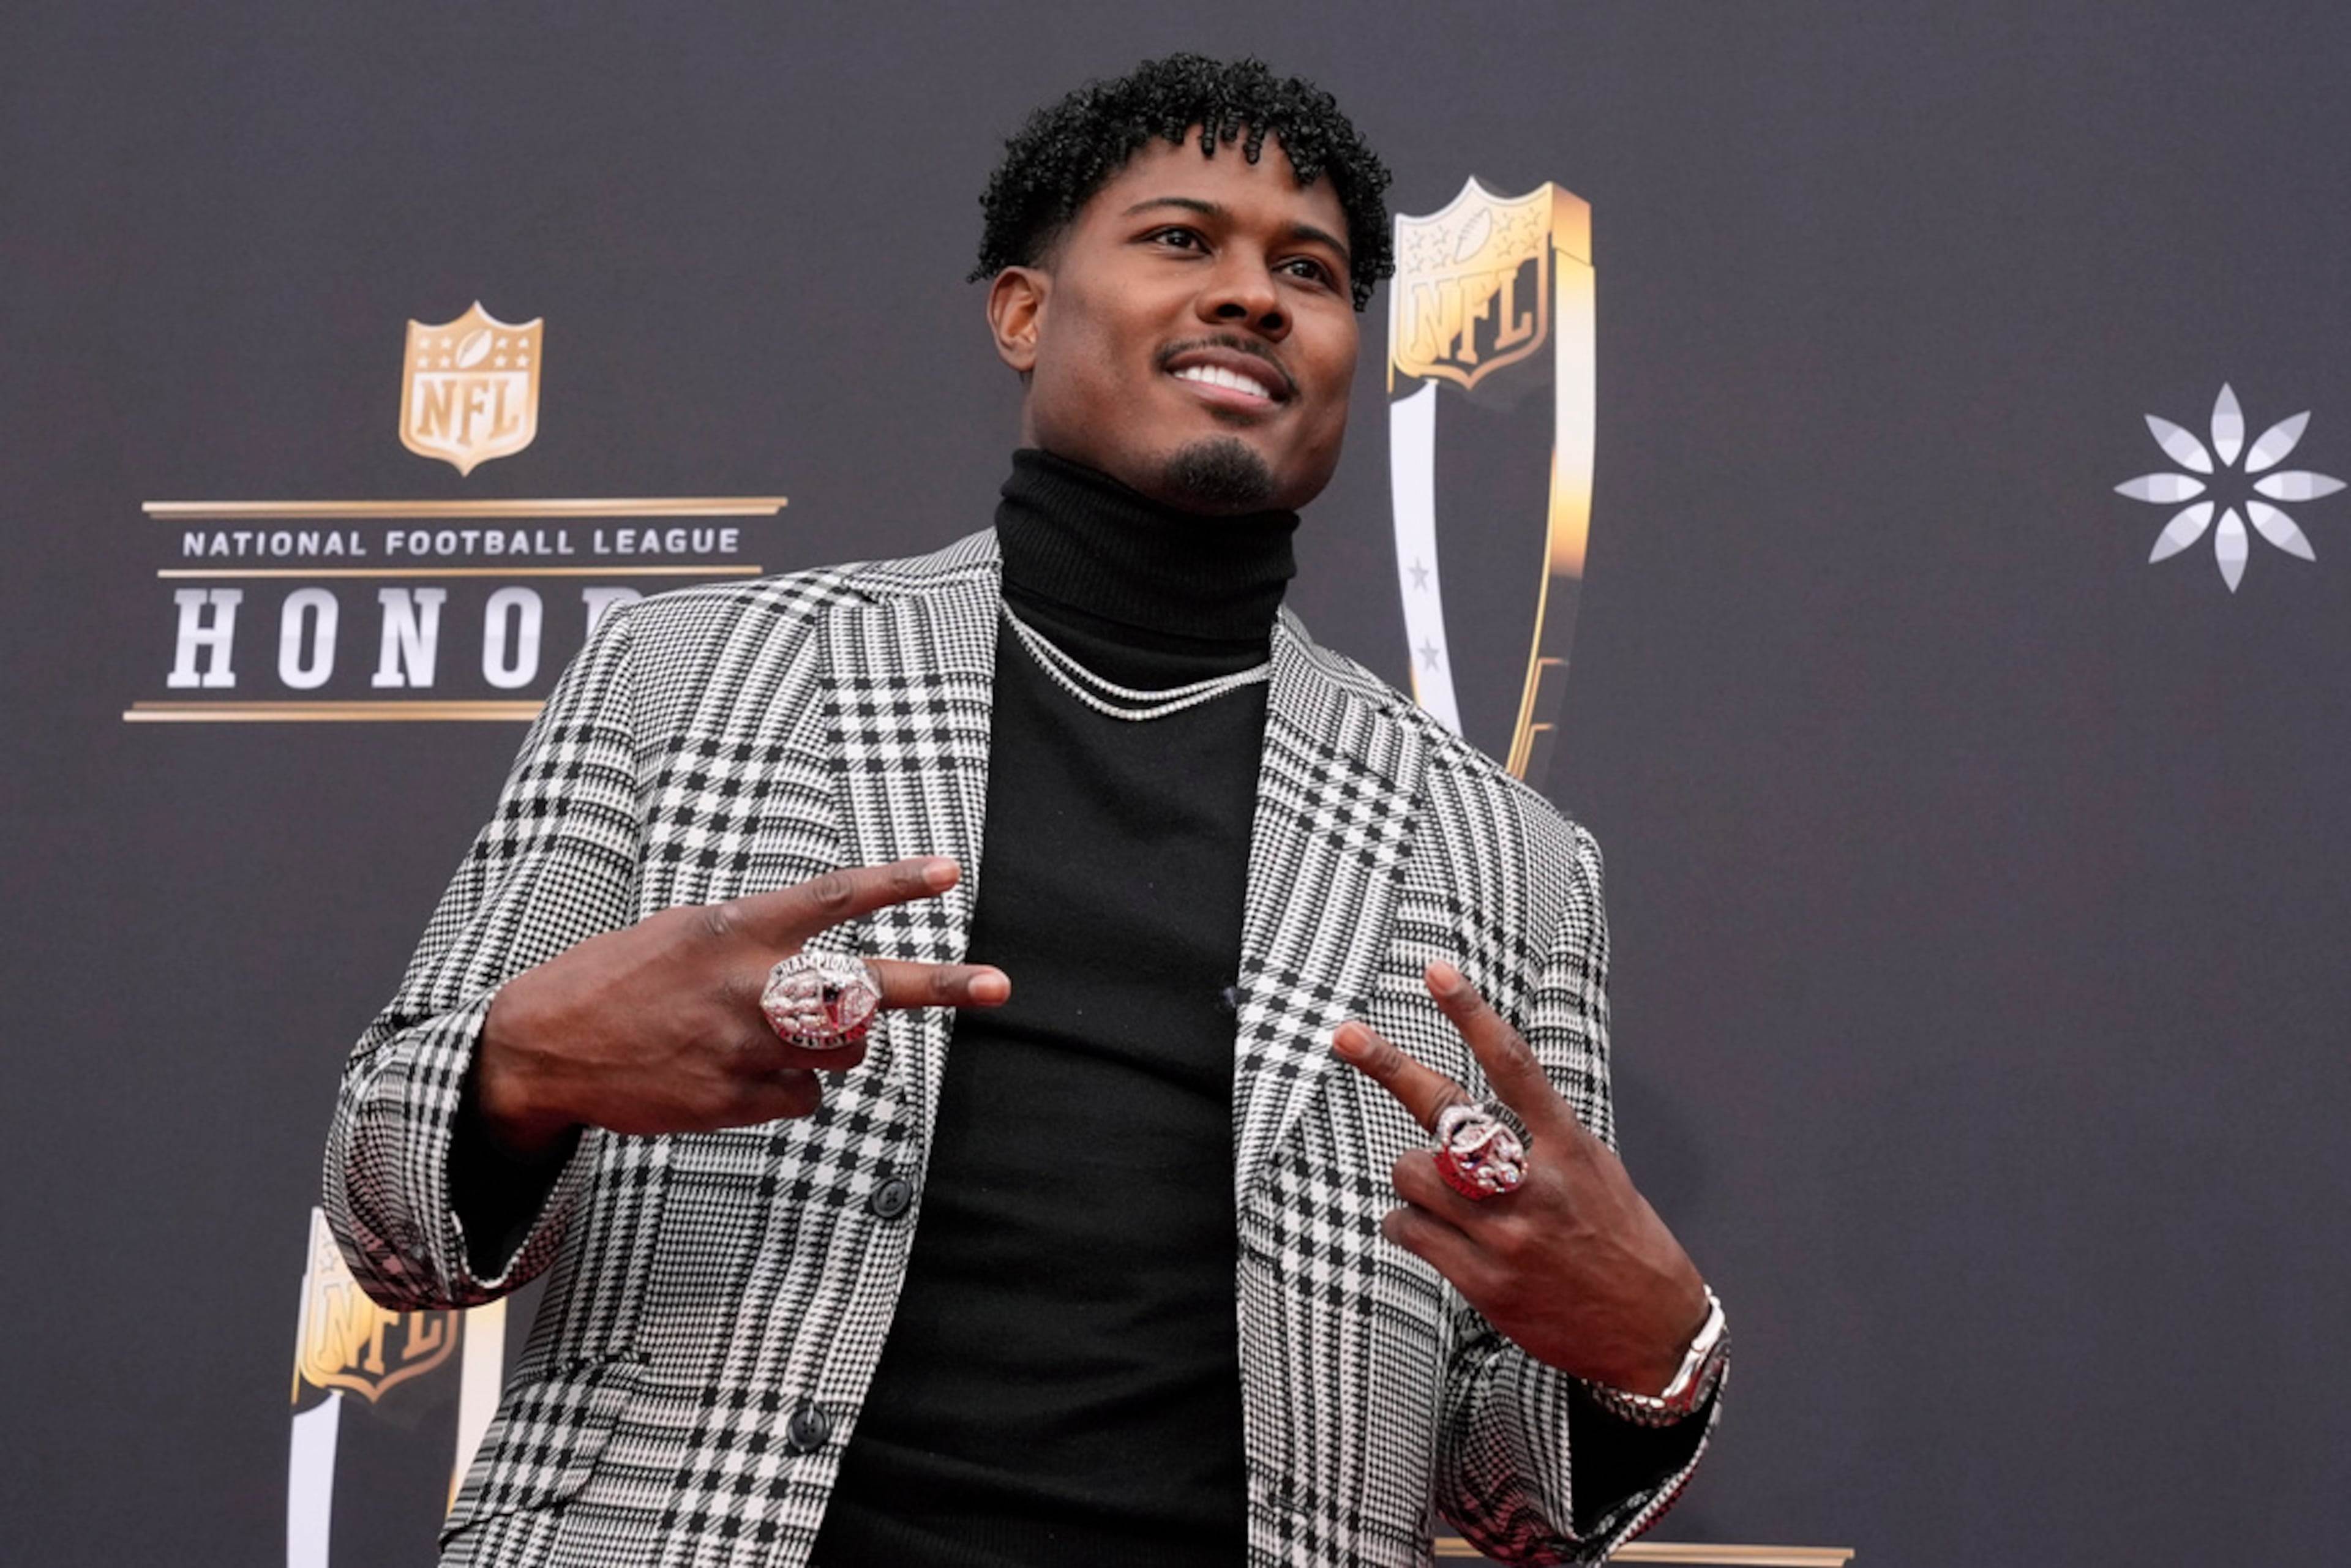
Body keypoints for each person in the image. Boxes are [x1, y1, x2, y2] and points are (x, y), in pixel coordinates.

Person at [326, 54, 1725, 1568]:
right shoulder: (689, 676)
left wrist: (1650, 1360)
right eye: (1182, 240)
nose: (1255, 297)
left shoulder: (1509, 860)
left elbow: (1499, 1497)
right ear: (1021, 309)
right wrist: (519, 1071)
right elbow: (388, 1222)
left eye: (1308, 272)